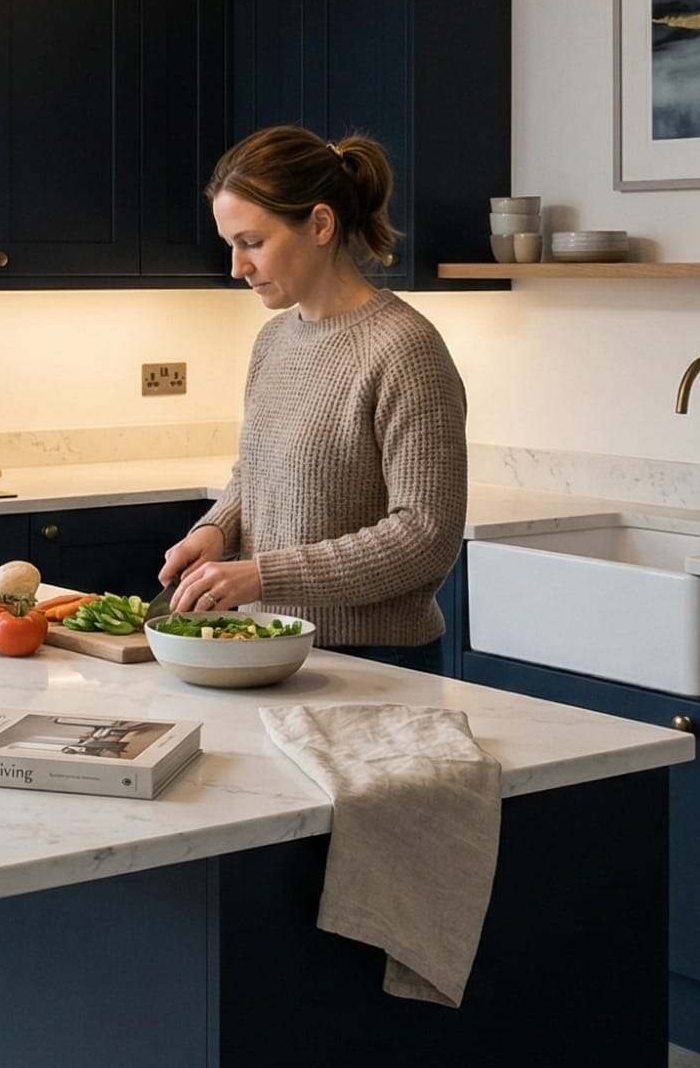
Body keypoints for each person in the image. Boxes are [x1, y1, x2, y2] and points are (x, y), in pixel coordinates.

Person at [157, 127, 467, 666]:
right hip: (269, 648)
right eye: (231, 244)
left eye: (252, 242)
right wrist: (216, 530)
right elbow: (257, 473)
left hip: (376, 665)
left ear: (320, 224)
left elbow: (426, 536)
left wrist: (263, 575)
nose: (237, 267)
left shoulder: (405, 348)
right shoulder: (275, 339)